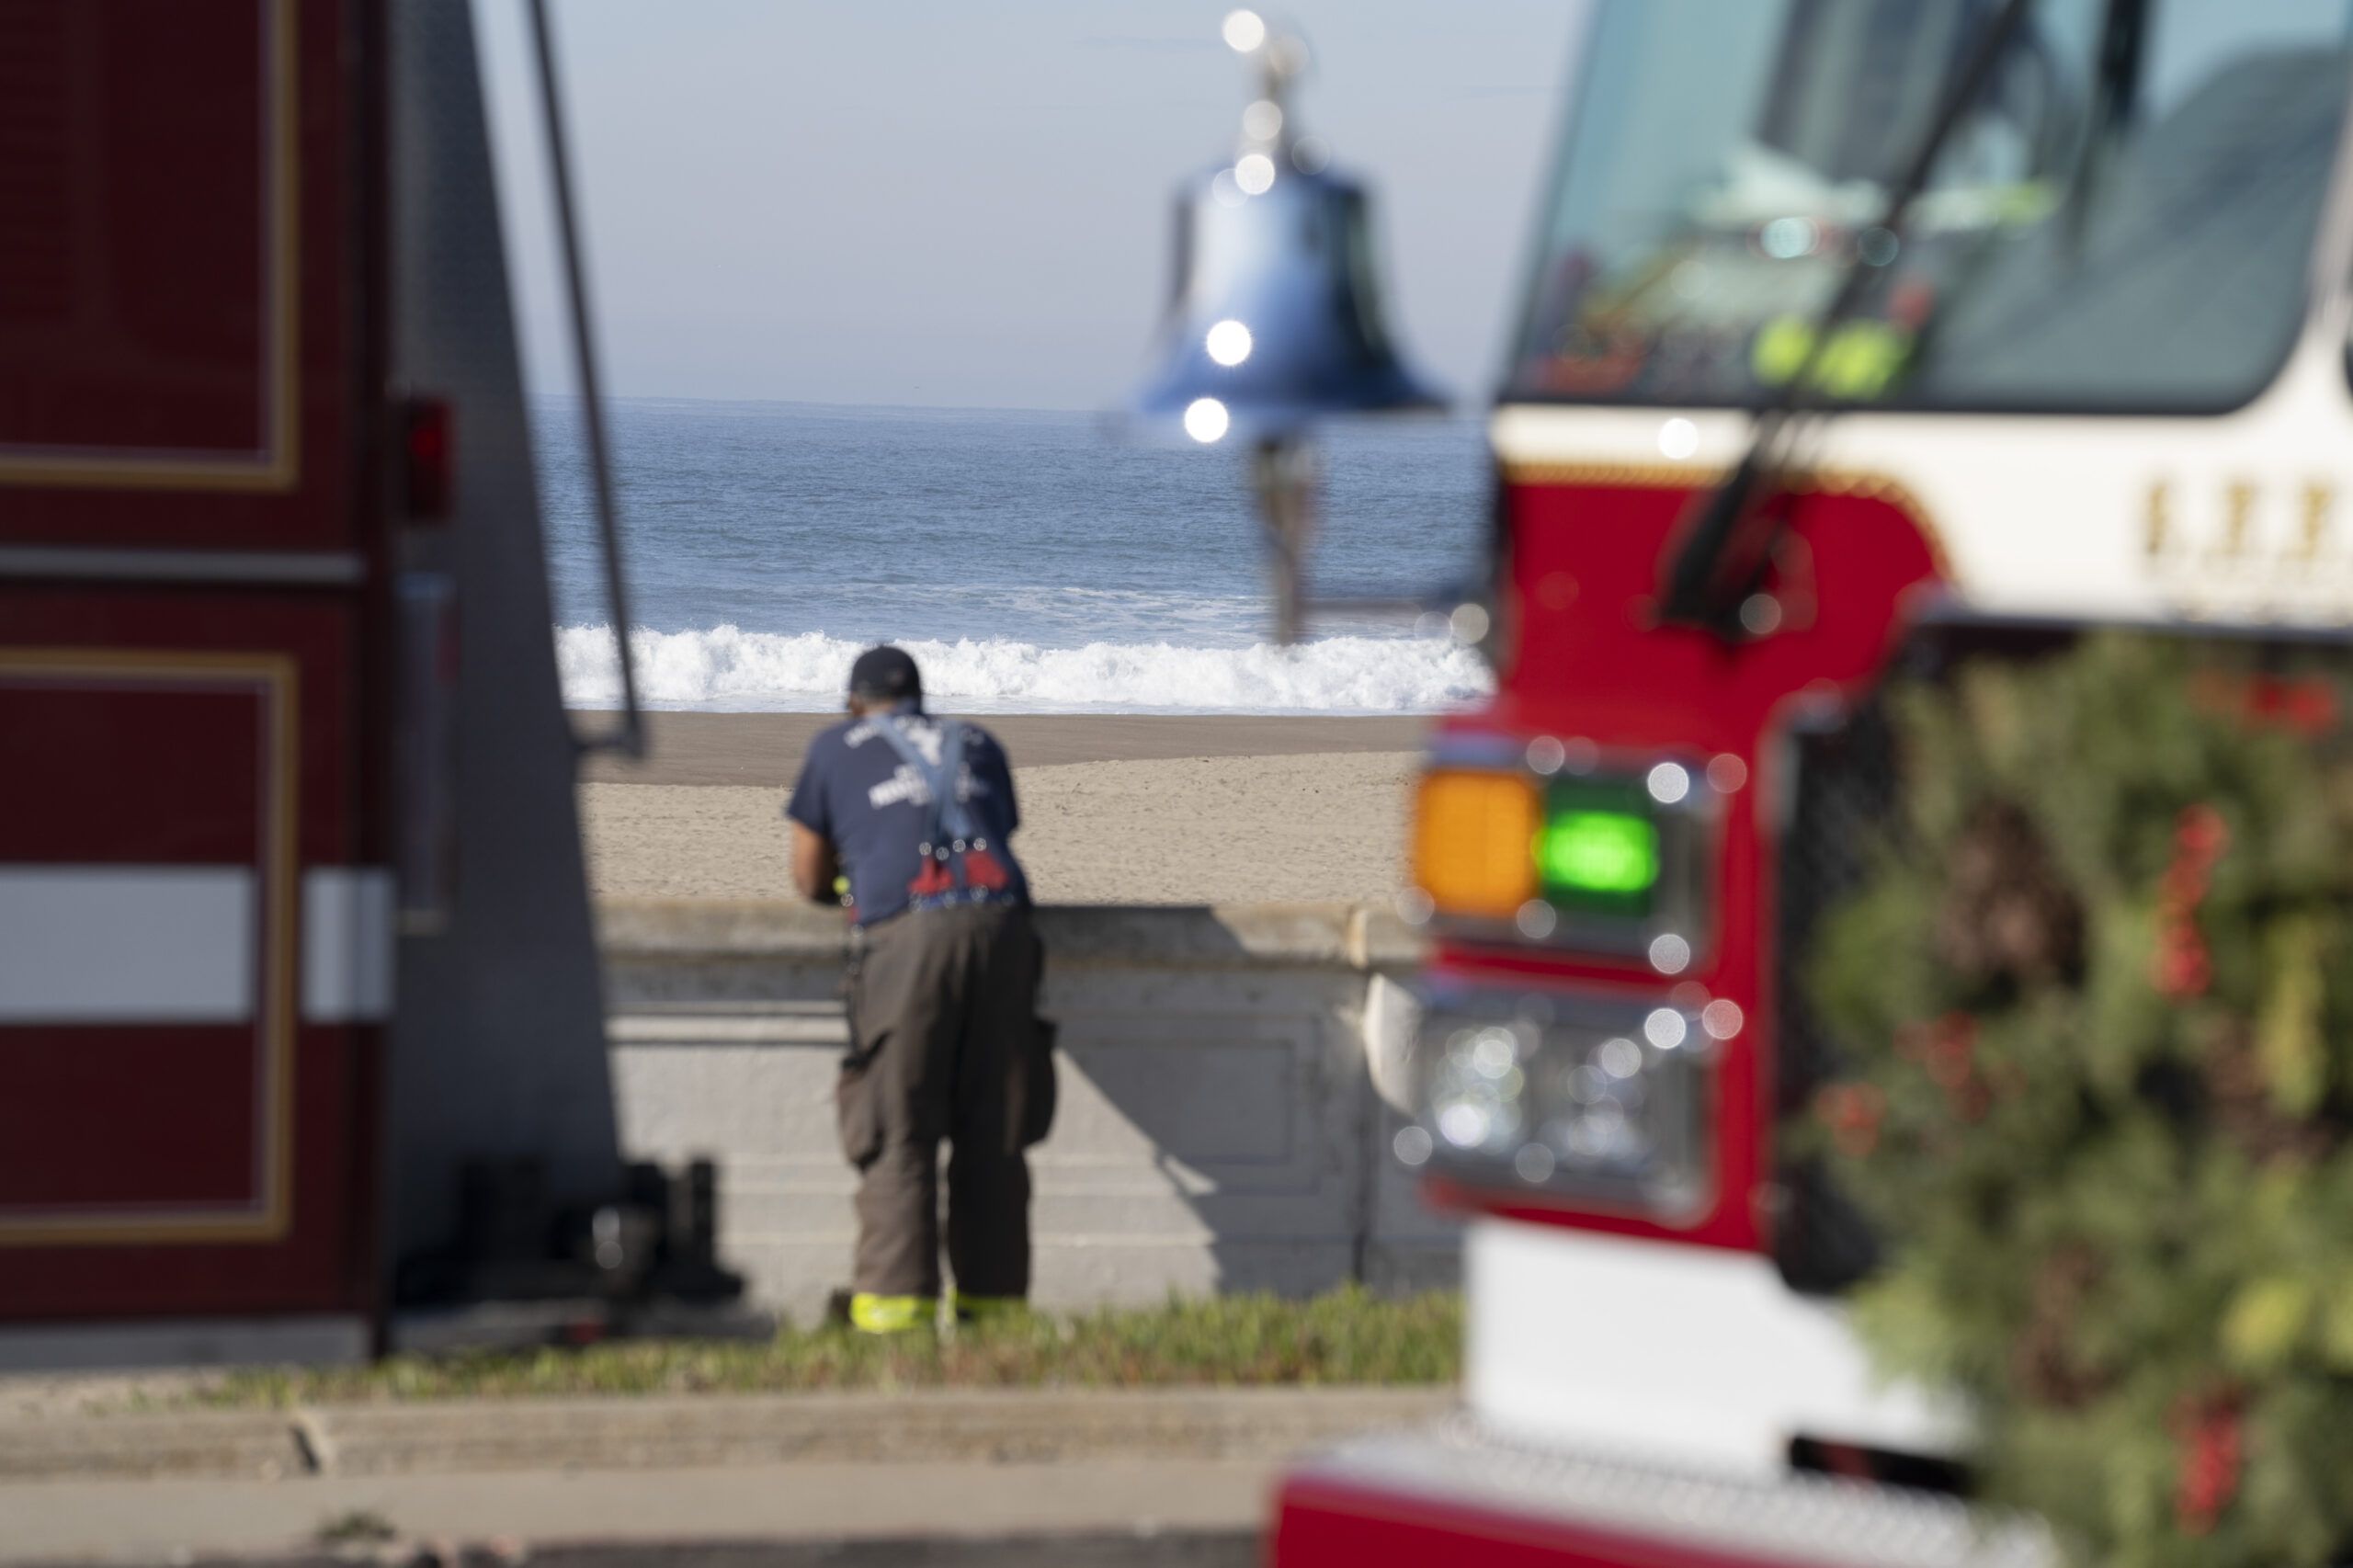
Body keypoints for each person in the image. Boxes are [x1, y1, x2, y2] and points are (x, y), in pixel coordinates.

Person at [784, 645, 1051, 1334]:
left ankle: (894, 1326)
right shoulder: (978, 742)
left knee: (899, 1132)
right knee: (994, 1134)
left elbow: (809, 877)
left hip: (909, 938)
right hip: (1005, 929)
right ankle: (996, 1326)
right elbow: (996, 833)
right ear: (920, 700)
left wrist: (858, 882)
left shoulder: (835, 746)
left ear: (853, 704)